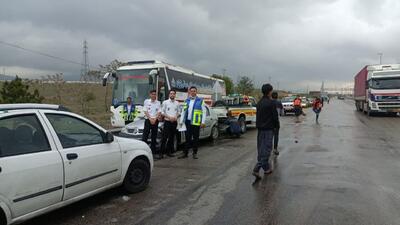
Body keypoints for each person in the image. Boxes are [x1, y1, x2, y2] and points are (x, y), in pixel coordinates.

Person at [252, 84, 279, 179]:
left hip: (260, 130)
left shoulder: (259, 103)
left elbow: (258, 117)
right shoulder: (271, 103)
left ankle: (267, 169)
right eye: (271, 90)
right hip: (268, 129)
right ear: (269, 92)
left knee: (261, 150)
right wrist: (277, 127)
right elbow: (275, 117)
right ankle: (256, 169)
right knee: (267, 150)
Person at [178, 86, 207, 159]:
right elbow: (183, 111)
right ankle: (185, 153)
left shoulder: (200, 100)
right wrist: (181, 121)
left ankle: (195, 153)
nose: (193, 92)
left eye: (194, 91)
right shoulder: (187, 100)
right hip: (187, 122)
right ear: (190, 92)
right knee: (187, 138)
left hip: (196, 122)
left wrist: (203, 122)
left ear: (196, 92)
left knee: (195, 138)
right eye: (191, 91)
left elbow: (204, 112)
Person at [159, 89, 180, 159]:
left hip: (174, 122)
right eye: (171, 93)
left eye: (173, 94)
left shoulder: (177, 103)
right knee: (164, 138)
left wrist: (175, 117)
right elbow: (162, 112)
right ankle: (161, 153)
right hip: (167, 122)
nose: (172, 95)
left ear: (175, 95)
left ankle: (169, 152)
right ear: (169, 94)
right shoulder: (165, 102)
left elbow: (179, 112)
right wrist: (169, 117)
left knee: (171, 138)